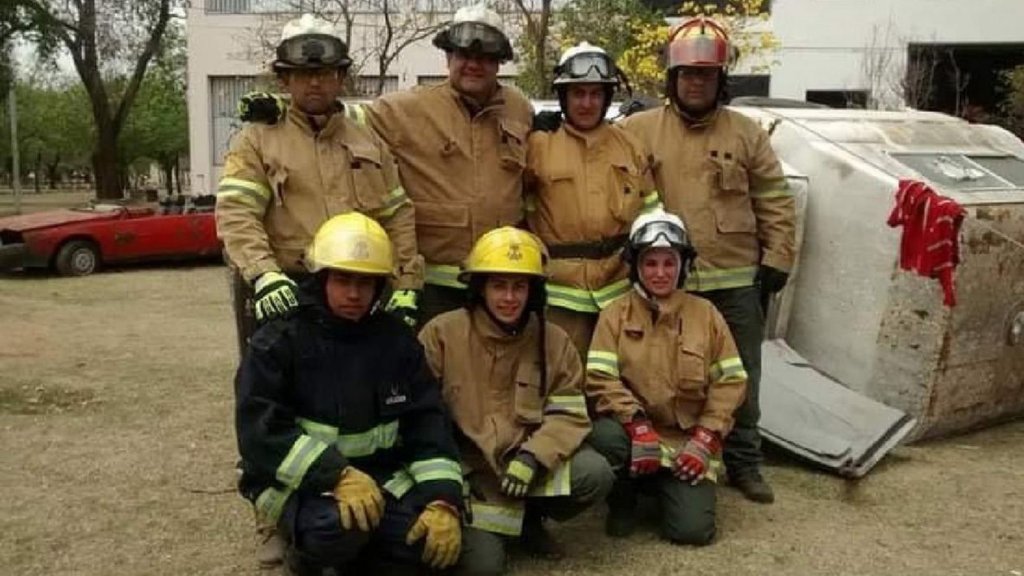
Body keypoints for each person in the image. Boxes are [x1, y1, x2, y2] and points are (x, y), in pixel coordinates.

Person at [237, 3, 533, 329]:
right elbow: (340, 116)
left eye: (486, 58)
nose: (473, 65)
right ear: (447, 57)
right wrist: (283, 108)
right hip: (436, 286)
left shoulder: (519, 109)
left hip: (502, 282)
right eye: (463, 55)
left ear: (500, 62)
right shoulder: (408, 108)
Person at [618, 16, 795, 503]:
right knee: (657, 372)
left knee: (741, 376)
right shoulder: (637, 129)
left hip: (735, 279)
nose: (696, 82)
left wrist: (778, 256)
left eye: (706, 74)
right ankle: (658, 457)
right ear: (671, 79)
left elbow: (774, 198)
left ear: (722, 80)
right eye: (687, 74)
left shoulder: (747, 134)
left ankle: (745, 461)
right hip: (665, 281)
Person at [235, 213, 463, 575]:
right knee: (338, 529)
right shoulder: (279, 341)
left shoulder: (397, 343)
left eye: (365, 282)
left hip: (378, 479)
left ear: (380, 286)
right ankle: (304, 556)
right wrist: (337, 476)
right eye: (343, 279)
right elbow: (261, 435)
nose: (354, 294)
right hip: (298, 484)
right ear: (321, 277)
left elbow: (427, 426)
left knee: (428, 546)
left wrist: (443, 501)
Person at [217, 13, 422, 358]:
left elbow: (397, 214)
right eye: (303, 74)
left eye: (325, 73)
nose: (315, 83)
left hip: (358, 289)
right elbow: (237, 213)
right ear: (285, 79)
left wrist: (406, 283)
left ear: (340, 77)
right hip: (287, 289)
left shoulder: (368, 139)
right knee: (276, 394)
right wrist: (264, 274)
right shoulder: (256, 140)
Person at [418, 227, 614, 574]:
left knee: (594, 473)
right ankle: (503, 525)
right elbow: (420, 419)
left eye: (519, 286)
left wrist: (534, 456)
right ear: (479, 288)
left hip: (527, 466)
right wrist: (447, 484)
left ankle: (530, 520)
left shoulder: (553, 340)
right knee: (484, 568)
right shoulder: (440, 334)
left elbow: (568, 412)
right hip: (470, 476)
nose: (509, 297)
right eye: (498, 285)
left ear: (533, 291)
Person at [585, 210, 748, 545]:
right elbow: (600, 378)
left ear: (683, 266)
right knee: (604, 436)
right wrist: (638, 426)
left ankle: (665, 489)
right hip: (633, 435)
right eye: (650, 263)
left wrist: (705, 439)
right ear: (636, 267)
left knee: (692, 532)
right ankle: (624, 500)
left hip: (685, 441)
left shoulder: (707, 315)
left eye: (669, 263)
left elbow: (731, 382)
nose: (660, 273)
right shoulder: (615, 314)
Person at [524, 41, 661, 357]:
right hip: (558, 293)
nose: (586, 103)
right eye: (578, 93)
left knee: (617, 380)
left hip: (619, 290)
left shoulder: (630, 147)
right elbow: (517, 212)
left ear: (607, 97)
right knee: (563, 383)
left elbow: (651, 217)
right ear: (563, 96)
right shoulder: (538, 145)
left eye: (595, 93)